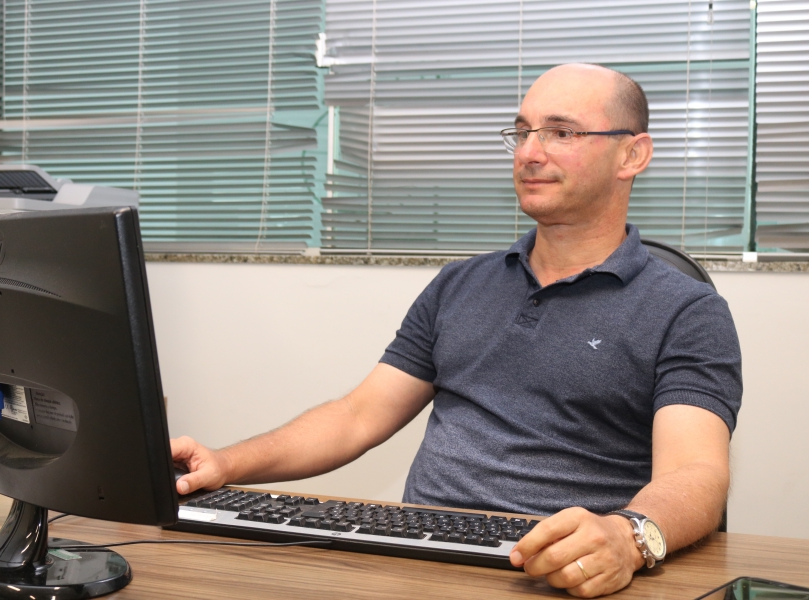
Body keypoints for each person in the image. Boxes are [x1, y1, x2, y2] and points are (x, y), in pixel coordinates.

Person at [171, 63, 742, 598]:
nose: (530, 152)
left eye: (561, 132)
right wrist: (228, 463)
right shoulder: (460, 284)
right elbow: (357, 416)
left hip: (557, 569)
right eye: (522, 132)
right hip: (414, 560)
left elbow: (696, 471)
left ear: (632, 155)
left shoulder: (686, 311)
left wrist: (629, 535)